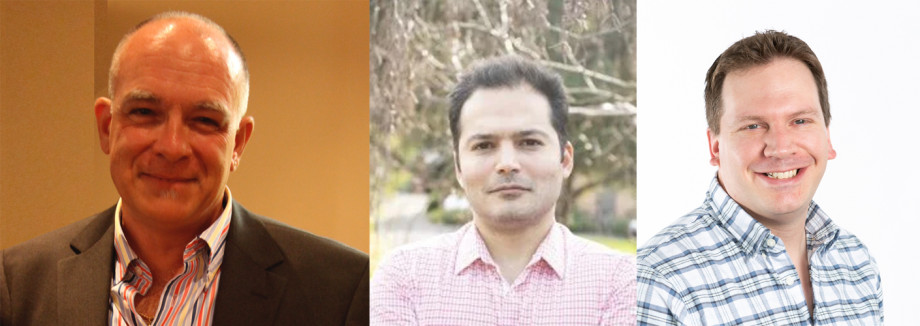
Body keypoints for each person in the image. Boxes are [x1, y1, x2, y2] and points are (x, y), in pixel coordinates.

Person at [0, 12, 368, 326]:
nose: (172, 147)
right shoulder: (19, 284)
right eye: (145, 113)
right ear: (106, 127)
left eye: (205, 120)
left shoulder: (343, 292)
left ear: (238, 143)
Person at [637, 30, 883, 325]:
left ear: (827, 137)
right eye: (753, 126)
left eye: (800, 121)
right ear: (715, 148)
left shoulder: (857, 263)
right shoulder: (657, 282)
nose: (780, 148)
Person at [370, 56, 636, 325]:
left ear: (565, 159)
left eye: (529, 142)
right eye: (484, 145)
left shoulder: (621, 283)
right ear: (458, 167)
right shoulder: (405, 278)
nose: (507, 164)